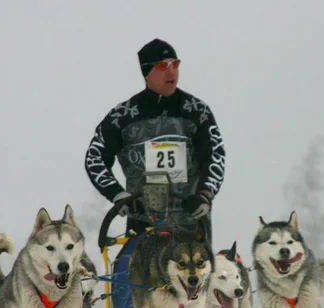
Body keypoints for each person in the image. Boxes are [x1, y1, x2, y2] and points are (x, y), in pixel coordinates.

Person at [84, 38, 226, 238]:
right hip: (142, 225)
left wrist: (204, 194)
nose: (172, 72)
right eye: (163, 66)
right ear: (146, 73)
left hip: (191, 224)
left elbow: (215, 156)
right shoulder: (122, 116)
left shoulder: (197, 111)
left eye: (175, 65)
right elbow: (95, 157)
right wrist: (117, 194)